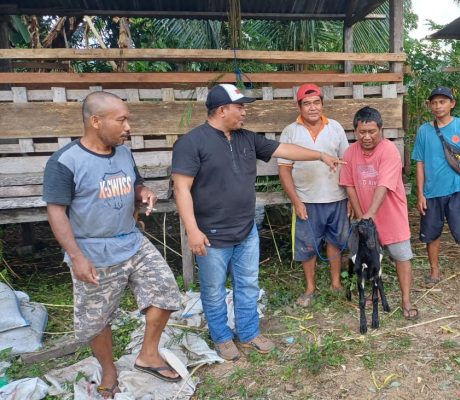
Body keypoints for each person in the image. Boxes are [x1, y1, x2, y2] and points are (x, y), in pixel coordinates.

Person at [171, 84, 344, 361]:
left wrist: (320, 154)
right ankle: (222, 338)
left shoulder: (246, 139)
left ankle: (249, 333)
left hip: (246, 229)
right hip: (211, 234)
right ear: (221, 110)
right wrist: (192, 230)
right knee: (214, 290)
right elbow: (181, 189)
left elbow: (284, 148)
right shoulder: (191, 143)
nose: (244, 111)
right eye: (240, 107)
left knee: (248, 284)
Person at [43, 92, 182, 398]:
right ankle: (108, 368)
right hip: (93, 251)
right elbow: (56, 212)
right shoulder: (65, 161)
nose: (128, 126)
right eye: (121, 120)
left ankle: (147, 355)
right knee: (98, 320)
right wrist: (76, 256)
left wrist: (143, 193)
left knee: (166, 291)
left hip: (132, 241)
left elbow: (134, 184)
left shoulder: (122, 153)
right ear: (96, 121)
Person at [339, 106, 418, 320]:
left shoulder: (389, 150)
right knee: (366, 257)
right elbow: (349, 186)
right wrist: (360, 215)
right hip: (365, 216)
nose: (366, 137)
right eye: (362, 132)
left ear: (381, 129)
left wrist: (370, 214)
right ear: (355, 131)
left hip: (391, 216)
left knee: (401, 256)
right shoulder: (350, 152)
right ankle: (368, 295)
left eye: (372, 131)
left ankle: (406, 300)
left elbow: (383, 185)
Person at [412, 86, 460, 298]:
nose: (438, 106)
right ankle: (434, 272)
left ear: (452, 104)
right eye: (434, 102)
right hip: (431, 193)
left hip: (457, 191)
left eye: (442, 102)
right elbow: (419, 163)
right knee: (431, 235)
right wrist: (420, 193)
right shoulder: (423, 131)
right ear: (430, 105)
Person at [278, 83, 350, 308]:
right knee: (307, 246)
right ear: (299, 106)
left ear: (322, 104)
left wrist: (349, 198)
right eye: (307, 104)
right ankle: (310, 288)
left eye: (316, 103)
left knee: (335, 242)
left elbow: (346, 164)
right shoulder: (290, 131)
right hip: (306, 201)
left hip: (336, 198)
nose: (312, 108)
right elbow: (284, 170)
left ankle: (336, 283)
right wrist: (296, 201)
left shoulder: (335, 127)